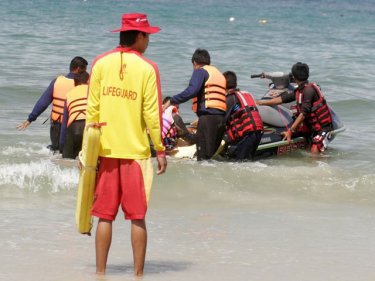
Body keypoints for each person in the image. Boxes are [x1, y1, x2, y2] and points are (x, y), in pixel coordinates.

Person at [86, 13, 167, 276]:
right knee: (137, 216)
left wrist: (88, 151)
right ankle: (138, 275)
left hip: (105, 151)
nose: (149, 41)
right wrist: (161, 148)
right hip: (136, 153)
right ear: (139, 36)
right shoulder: (148, 68)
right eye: (148, 36)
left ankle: (100, 273)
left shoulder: (99, 63)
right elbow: (151, 114)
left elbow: (92, 111)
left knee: (104, 216)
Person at [162, 49, 226, 161]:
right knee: (209, 158)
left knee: (202, 159)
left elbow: (192, 91)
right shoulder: (219, 74)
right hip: (221, 120)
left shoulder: (200, 71)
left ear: (195, 63)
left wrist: (172, 100)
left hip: (208, 120)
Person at [256, 62, 333, 153]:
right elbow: (282, 99)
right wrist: (261, 103)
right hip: (310, 127)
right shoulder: (300, 89)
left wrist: (290, 131)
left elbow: (303, 114)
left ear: (294, 77)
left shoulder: (309, 90)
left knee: (314, 151)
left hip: (323, 128)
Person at [17, 56, 88, 152]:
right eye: (85, 70)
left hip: (56, 126)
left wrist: (30, 118)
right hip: (74, 126)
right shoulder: (83, 85)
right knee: (73, 154)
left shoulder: (57, 81)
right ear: (79, 69)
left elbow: (43, 102)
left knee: (56, 151)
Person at [223, 71, 263, 161]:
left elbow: (221, 120)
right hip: (258, 131)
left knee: (241, 163)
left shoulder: (230, 98)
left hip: (248, 134)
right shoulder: (247, 94)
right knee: (249, 160)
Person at [60, 71, 90, 159]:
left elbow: (64, 122)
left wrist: (62, 144)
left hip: (73, 128)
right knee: (88, 162)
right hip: (88, 128)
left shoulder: (69, 94)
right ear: (88, 81)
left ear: (75, 82)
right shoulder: (92, 91)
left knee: (67, 160)